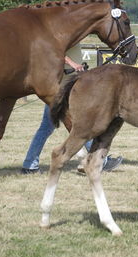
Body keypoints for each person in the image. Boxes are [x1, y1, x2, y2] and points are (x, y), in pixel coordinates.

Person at [21, 45, 123, 174]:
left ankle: (29, 164)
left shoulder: (77, 35)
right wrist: (73, 64)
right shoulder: (64, 36)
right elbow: (54, 51)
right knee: (81, 126)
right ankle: (101, 160)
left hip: (65, 90)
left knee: (46, 128)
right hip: (62, 92)